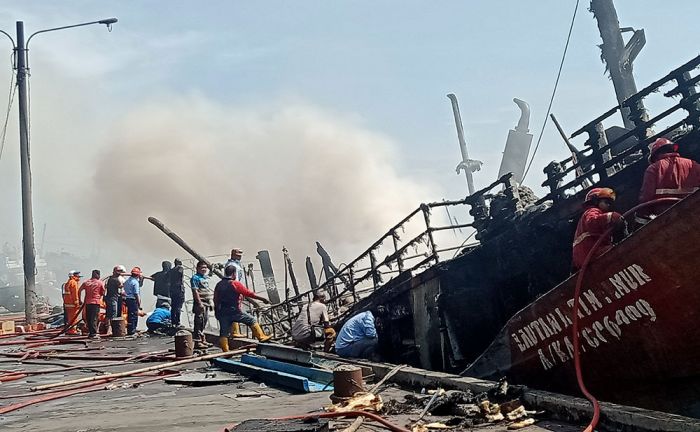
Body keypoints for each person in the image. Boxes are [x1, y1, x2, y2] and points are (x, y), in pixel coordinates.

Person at [214, 264, 271, 351]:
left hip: (222, 312)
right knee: (251, 320)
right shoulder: (235, 283)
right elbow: (249, 293)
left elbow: (215, 299)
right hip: (235, 312)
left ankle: (226, 351)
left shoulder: (219, 284)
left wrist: (216, 312)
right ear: (234, 274)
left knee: (223, 333)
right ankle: (261, 337)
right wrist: (263, 299)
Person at [639, 138, 700, 215]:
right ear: (672, 149)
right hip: (695, 210)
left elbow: (646, 198)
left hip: (667, 217)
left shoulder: (653, 169)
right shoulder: (692, 164)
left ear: (655, 156)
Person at [572, 187, 624, 271]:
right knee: (620, 251)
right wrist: (611, 216)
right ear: (595, 201)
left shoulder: (586, 218)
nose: (608, 205)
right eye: (606, 202)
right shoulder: (591, 211)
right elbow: (592, 222)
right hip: (592, 253)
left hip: (585, 259)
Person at [191, 261, 213, 349]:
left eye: (205, 267)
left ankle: (203, 339)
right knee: (199, 322)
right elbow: (195, 291)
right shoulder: (195, 278)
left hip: (207, 302)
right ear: (197, 268)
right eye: (202, 267)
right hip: (200, 303)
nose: (204, 269)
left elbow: (209, 277)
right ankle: (197, 341)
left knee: (204, 321)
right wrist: (199, 303)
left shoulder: (204, 277)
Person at [79, 270, 105, 339]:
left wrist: (79, 300)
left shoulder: (86, 282)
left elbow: (79, 290)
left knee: (89, 318)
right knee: (94, 318)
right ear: (97, 275)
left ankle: (91, 333)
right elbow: (103, 292)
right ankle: (93, 334)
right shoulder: (100, 283)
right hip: (95, 303)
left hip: (87, 303)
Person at [105, 265, 127, 334]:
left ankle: (110, 329)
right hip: (113, 298)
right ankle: (113, 330)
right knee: (113, 314)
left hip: (111, 297)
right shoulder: (115, 279)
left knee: (109, 314)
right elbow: (121, 287)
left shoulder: (110, 279)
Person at [123, 267, 143, 335]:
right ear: (137, 275)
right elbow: (136, 294)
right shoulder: (135, 282)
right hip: (132, 300)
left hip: (127, 299)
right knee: (134, 315)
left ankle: (130, 329)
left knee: (130, 315)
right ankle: (132, 330)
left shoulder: (126, 281)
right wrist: (139, 304)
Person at [62, 271, 82, 335]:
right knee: (73, 318)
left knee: (70, 318)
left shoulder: (68, 282)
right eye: (78, 276)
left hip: (68, 304)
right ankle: (72, 331)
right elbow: (75, 294)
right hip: (72, 304)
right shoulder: (74, 283)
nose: (79, 278)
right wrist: (77, 303)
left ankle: (70, 329)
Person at [169, 258, 185, 328]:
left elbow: (167, 278)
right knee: (178, 306)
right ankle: (178, 322)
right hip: (179, 290)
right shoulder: (180, 268)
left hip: (172, 290)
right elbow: (180, 274)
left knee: (173, 306)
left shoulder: (171, 270)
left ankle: (173, 322)